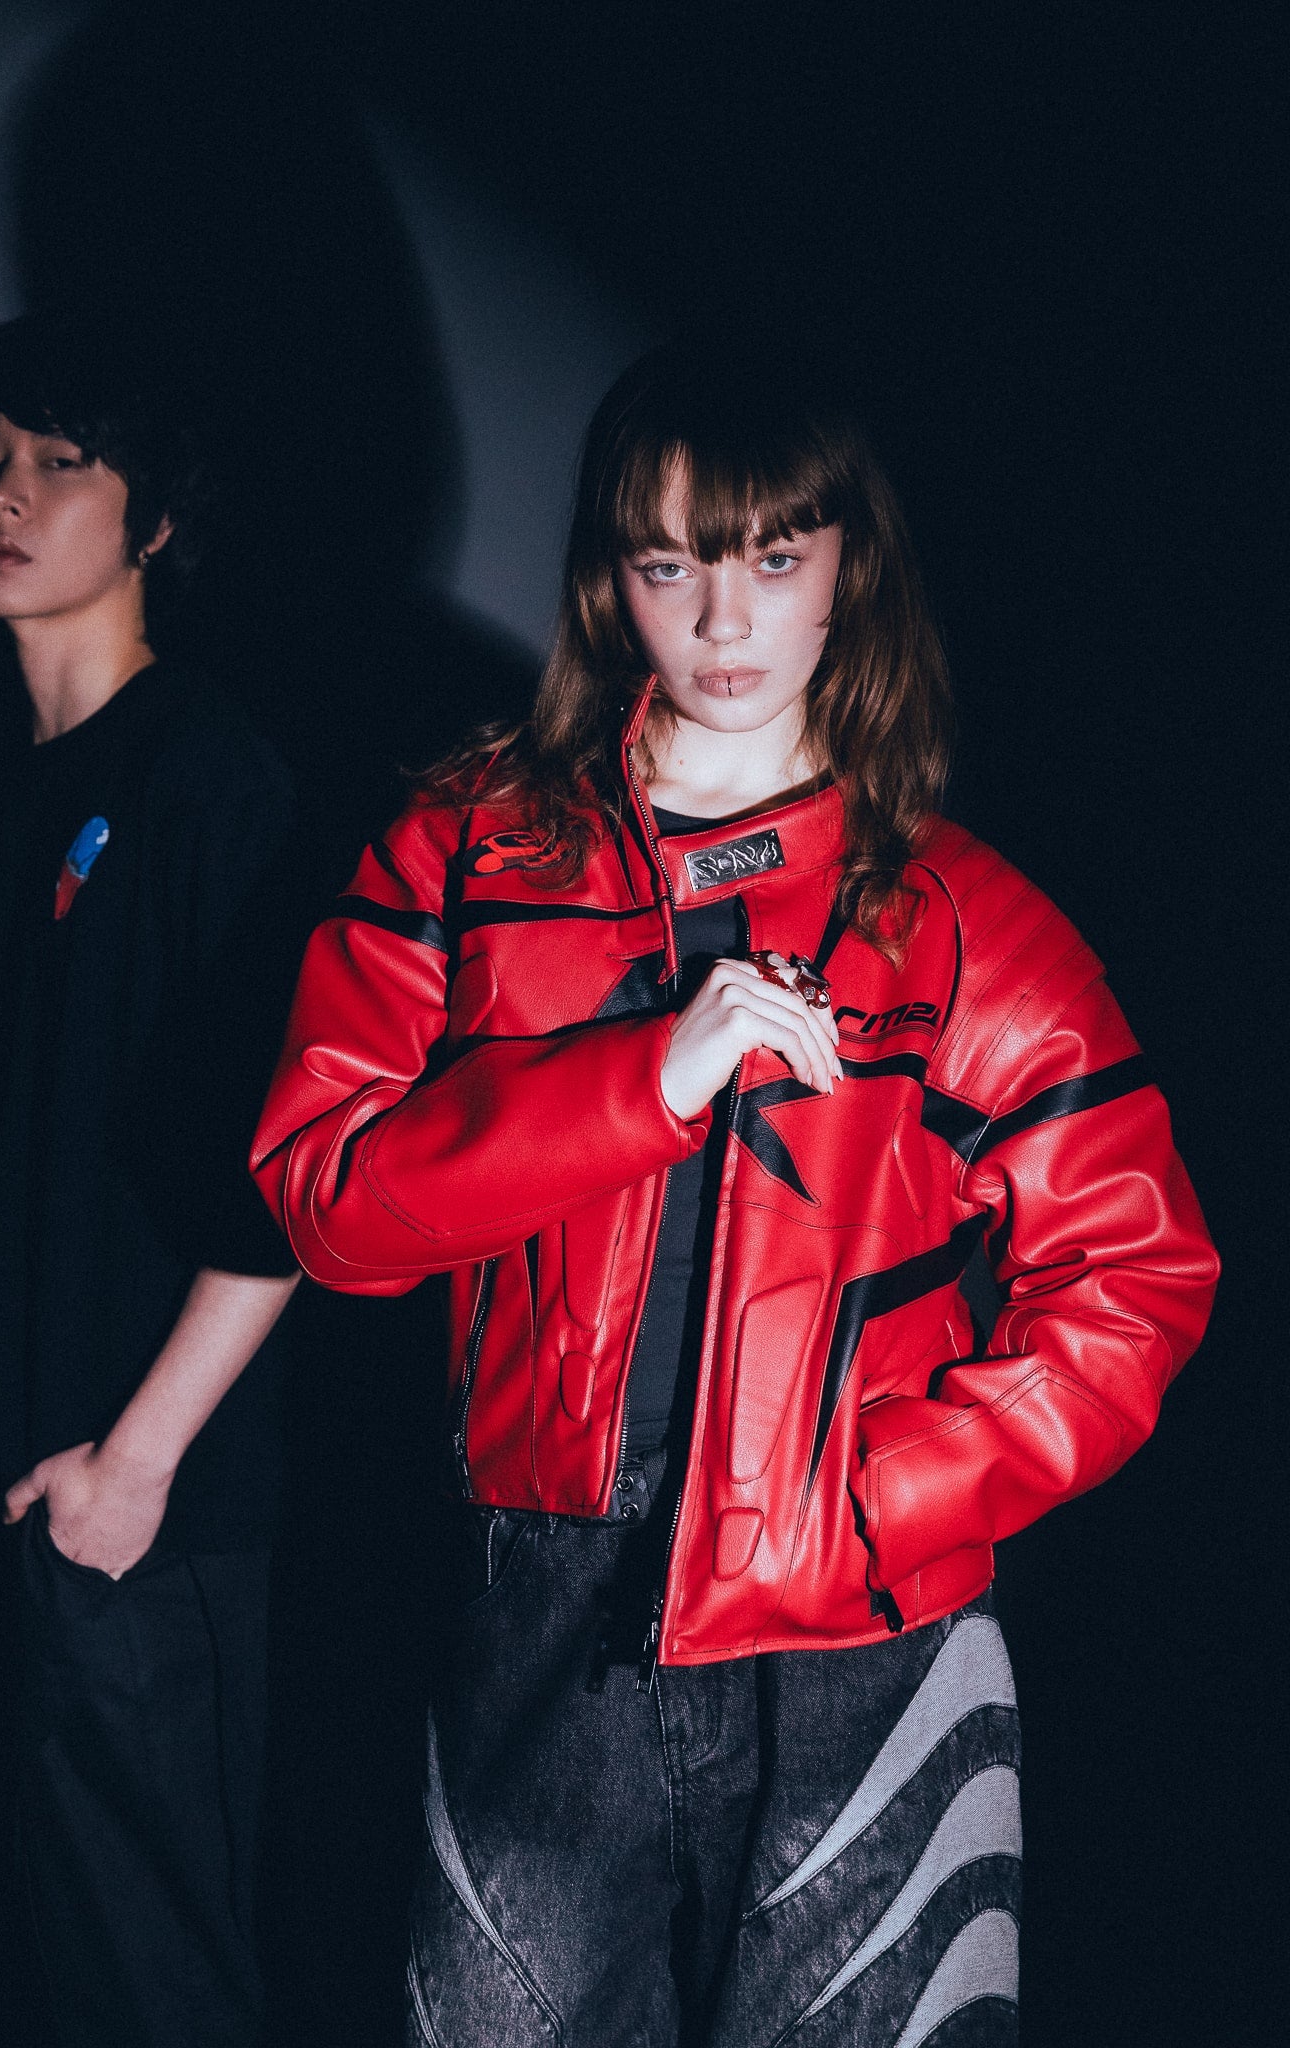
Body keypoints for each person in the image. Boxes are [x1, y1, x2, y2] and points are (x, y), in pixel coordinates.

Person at [249, 342, 1219, 2047]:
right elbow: (330, 1205)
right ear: (607, 577)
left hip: (870, 1647)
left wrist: (883, 1498)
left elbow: (1139, 1280)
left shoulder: (968, 922)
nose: (719, 619)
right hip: (541, 1619)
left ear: (849, 565)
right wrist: (648, 1077)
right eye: (669, 561)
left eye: (772, 557)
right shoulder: (463, 849)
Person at [0, 313, 299, 2048]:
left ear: (156, 520)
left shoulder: (213, 783)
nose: (3, 494)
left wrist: (139, 1461)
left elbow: (293, 1174)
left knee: (143, 1980)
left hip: (121, 1502)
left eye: (58, 461)